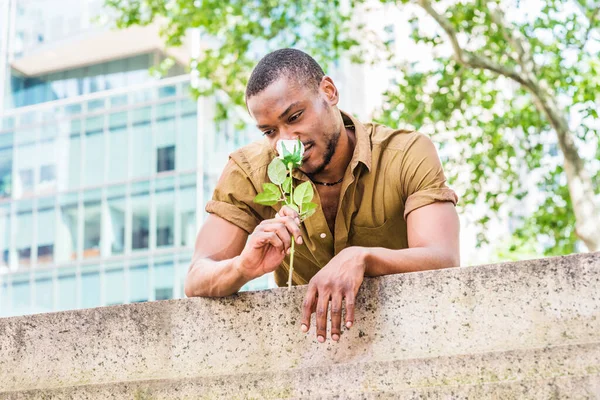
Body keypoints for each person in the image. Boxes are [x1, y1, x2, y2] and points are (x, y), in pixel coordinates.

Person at [185, 48, 460, 343]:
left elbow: (443, 257)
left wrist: (362, 258)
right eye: (269, 132)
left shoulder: (406, 153)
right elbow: (197, 277)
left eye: (294, 117)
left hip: (410, 334)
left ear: (328, 91)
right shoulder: (250, 170)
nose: (285, 141)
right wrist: (242, 267)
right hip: (305, 346)